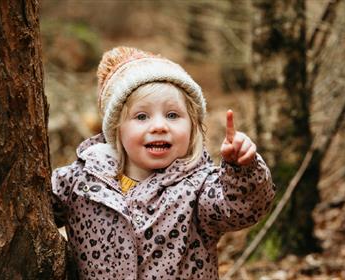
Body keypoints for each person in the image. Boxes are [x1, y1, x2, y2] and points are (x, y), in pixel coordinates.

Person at [51, 46, 276, 280]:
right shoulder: (80, 182)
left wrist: (242, 169)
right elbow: (30, 209)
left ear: (192, 126)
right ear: (116, 129)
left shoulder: (199, 187)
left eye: (172, 115)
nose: (159, 126)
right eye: (141, 116)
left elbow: (242, 209)